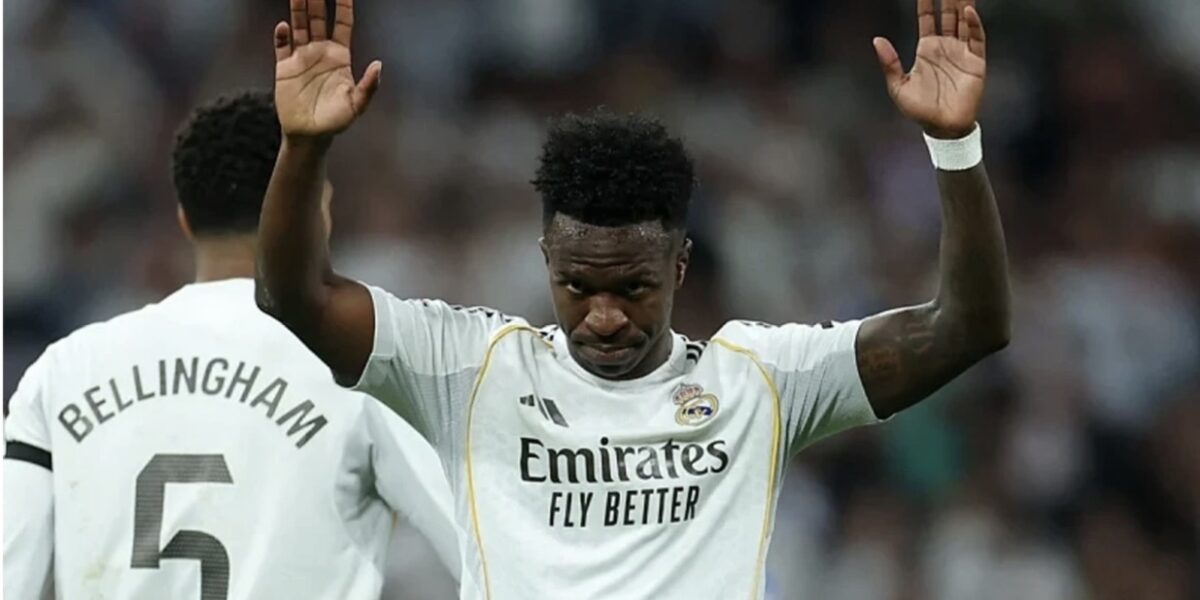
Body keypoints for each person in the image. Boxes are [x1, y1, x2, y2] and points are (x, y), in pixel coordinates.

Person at [256, 0, 1009, 597]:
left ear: (680, 267)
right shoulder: (469, 369)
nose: (605, 317)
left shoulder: (760, 381)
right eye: (576, 287)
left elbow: (968, 326)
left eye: (634, 288)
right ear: (545, 259)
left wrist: (954, 145)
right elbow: (294, 296)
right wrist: (304, 147)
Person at [3, 90, 460, 600]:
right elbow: (487, 552)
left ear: (185, 219)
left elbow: (11, 577)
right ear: (316, 210)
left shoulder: (63, 371)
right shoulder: (362, 367)